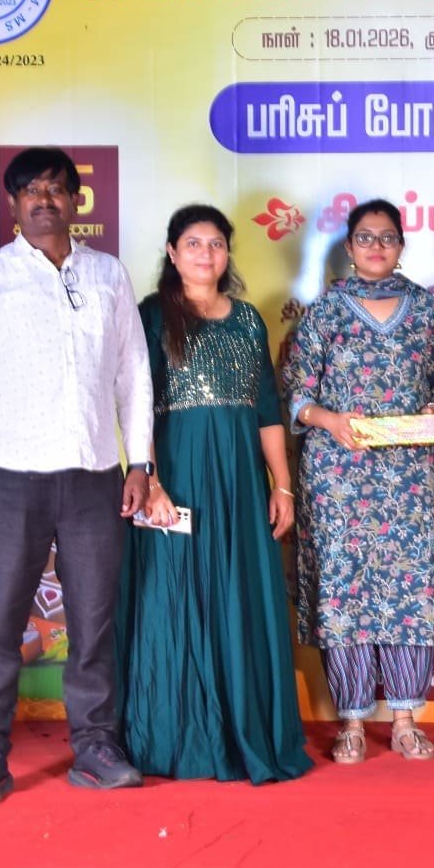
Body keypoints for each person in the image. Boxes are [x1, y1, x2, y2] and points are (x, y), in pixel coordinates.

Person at [0, 146, 152, 803]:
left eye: (56, 189)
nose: (44, 200)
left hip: (94, 476)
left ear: (76, 201)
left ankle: (95, 746)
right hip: (10, 479)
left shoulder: (107, 275)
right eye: (30, 190)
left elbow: (133, 376)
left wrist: (140, 462)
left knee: (93, 624)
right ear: (13, 204)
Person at [114, 205, 313, 784]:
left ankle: (243, 731)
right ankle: (174, 738)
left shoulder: (248, 320)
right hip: (174, 474)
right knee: (171, 597)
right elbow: (136, 405)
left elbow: (267, 410)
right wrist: (150, 478)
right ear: (172, 253)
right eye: (194, 243)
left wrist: (282, 485)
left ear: (228, 254)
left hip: (239, 481)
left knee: (238, 596)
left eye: (217, 244)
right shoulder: (151, 316)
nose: (206, 253)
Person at [281, 199, 434, 763]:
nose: (376, 246)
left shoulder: (425, 309)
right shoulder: (324, 313)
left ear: (401, 245)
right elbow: (296, 393)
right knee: (345, 593)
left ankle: (405, 719)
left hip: (412, 478)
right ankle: (352, 722)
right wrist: (330, 420)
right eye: (365, 237)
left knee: (412, 590)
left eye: (387, 237)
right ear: (349, 247)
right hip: (339, 478)